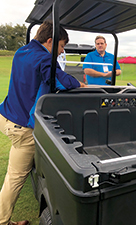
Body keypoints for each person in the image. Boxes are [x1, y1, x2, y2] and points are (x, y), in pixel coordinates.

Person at [0, 20, 85, 225]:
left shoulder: (22, 52)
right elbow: (62, 81)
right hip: (22, 127)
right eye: (62, 46)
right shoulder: (44, 59)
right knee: (15, 177)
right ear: (50, 41)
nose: (61, 51)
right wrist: (80, 84)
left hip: (7, 116)